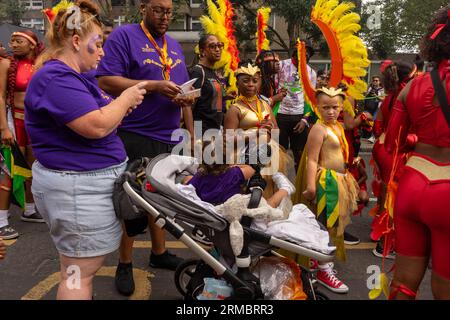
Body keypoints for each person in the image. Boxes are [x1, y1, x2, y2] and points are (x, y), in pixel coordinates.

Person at [24, 0, 147, 300]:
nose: (103, 52)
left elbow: (103, 118)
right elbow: (96, 126)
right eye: (98, 43)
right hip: (78, 193)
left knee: (77, 269)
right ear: (77, 41)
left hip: (83, 189)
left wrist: (119, 107)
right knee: (78, 276)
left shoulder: (76, 76)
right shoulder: (56, 78)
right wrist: (126, 97)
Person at [97, 0, 192, 296]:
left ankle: (159, 252)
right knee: (132, 203)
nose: (165, 17)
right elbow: (106, 80)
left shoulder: (174, 45)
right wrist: (151, 85)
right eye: (158, 10)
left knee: (160, 199)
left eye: (168, 11)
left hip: (168, 135)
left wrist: (187, 121)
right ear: (142, 8)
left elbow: (180, 88)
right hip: (133, 133)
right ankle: (124, 263)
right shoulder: (124, 36)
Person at [384, 4, 450, 300]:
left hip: (412, 184)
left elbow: (390, 143)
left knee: (404, 281)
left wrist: (418, 138)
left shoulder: (414, 86)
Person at [302, 87, 359, 293]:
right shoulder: (319, 129)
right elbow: (311, 159)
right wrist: (310, 186)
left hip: (339, 180)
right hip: (326, 182)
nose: (331, 112)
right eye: (325, 107)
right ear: (317, 107)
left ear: (341, 107)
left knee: (328, 224)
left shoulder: (338, 127)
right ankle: (324, 269)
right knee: (327, 224)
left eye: (335, 107)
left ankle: (316, 260)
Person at [223, 63, 294, 199]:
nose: (251, 84)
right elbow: (228, 140)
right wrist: (255, 133)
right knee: (248, 194)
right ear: (237, 84)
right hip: (244, 156)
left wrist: (271, 128)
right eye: (246, 81)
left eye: (255, 81)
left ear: (260, 83)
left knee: (268, 189)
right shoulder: (235, 109)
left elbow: (277, 132)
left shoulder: (265, 105)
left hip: (269, 153)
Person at [0, 30, 44, 240]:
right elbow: (0, 98)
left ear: (33, 45)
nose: (14, 44)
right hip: (14, 122)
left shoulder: (41, 64)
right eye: (12, 41)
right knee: (9, 170)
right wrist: (4, 128)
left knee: (32, 167)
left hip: (34, 123)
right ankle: (2, 219)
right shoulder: (7, 65)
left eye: (19, 41)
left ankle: (29, 209)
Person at [371, 60, 417, 259]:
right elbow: (407, 135)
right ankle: (384, 245)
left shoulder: (389, 98)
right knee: (394, 198)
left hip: (382, 148)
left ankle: (379, 234)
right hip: (395, 151)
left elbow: (378, 126)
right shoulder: (407, 99)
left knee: (385, 191)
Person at [276, 43, 317, 169]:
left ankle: (300, 186)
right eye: (302, 53)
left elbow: (310, 99)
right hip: (280, 115)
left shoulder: (311, 72)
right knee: (279, 154)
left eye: (307, 54)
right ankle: (278, 186)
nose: (304, 56)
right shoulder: (281, 65)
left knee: (299, 155)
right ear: (295, 52)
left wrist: (305, 119)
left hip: (299, 117)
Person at [184, 34, 225, 138]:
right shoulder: (198, 71)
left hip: (214, 131)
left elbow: (207, 97)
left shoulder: (213, 73)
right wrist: (192, 138)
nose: (217, 49)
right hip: (200, 131)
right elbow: (188, 106)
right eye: (212, 46)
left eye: (219, 46)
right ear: (202, 51)